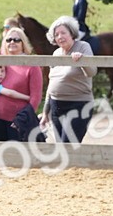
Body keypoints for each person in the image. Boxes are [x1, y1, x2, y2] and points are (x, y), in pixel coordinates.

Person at [41, 15, 96, 143]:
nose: (60, 37)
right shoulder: (56, 54)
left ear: (71, 33)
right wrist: (45, 112)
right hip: (56, 106)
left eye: (63, 33)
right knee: (61, 147)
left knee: (69, 145)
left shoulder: (83, 46)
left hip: (79, 105)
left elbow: (92, 72)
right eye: (56, 34)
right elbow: (51, 85)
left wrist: (82, 61)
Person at [0, 25, 43, 141]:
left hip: (17, 122)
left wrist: (22, 120)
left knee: (17, 156)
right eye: (8, 39)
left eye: (16, 39)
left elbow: (35, 99)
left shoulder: (32, 66)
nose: (12, 42)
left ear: (23, 43)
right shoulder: (0, 63)